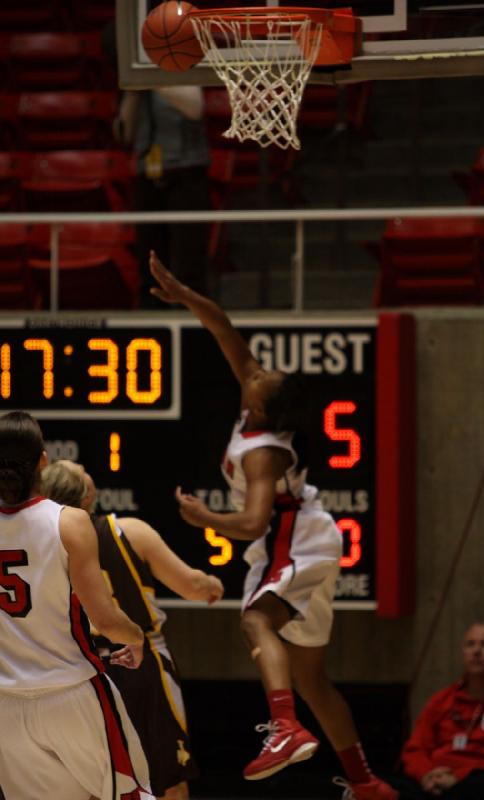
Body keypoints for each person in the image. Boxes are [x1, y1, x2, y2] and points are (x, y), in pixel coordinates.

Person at [149, 251, 398, 800]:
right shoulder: (256, 400)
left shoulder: (265, 454)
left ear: (264, 408)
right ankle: (365, 782)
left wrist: (204, 517)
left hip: (293, 535)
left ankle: (284, 727)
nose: (254, 371)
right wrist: (186, 296)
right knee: (311, 676)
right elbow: (224, 329)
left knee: (255, 621)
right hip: (299, 538)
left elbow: (252, 521)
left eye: (261, 377)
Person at [41, 459, 224, 800]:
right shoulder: (128, 531)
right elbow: (194, 586)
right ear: (88, 495)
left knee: (97, 781)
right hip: (142, 662)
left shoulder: (42, 544)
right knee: (168, 777)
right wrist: (212, 584)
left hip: (77, 667)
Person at [0, 411, 154, 800]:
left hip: (6, 705)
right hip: (71, 691)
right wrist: (137, 638)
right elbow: (104, 618)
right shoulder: (70, 521)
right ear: (43, 460)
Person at [393, 622, 484, 800]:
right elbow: (415, 750)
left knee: (483, 787)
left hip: (482, 783)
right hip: (433, 780)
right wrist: (427, 775)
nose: (476, 651)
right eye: (470, 644)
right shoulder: (442, 699)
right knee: (383, 787)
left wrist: (459, 777)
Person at [115, 86, 211, 305]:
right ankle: (152, 331)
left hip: (187, 172)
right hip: (146, 174)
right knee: (149, 266)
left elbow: (196, 108)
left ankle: (193, 328)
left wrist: (152, 81)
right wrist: (132, 93)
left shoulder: (181, 63)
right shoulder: (135, 83)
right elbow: (124, 134)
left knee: (189, 265)